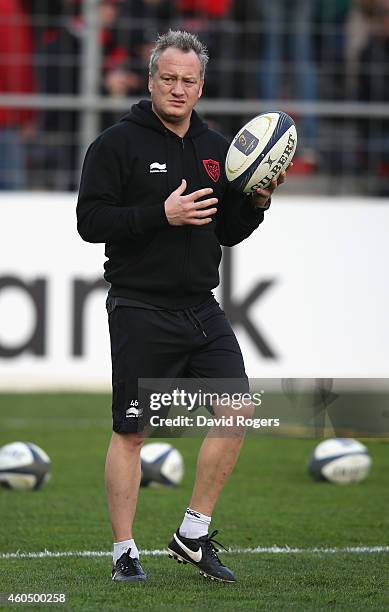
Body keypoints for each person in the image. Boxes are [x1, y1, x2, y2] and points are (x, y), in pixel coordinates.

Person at [77, 29, 287, 584]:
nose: (177, 88)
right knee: (132, 432)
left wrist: (259, 200)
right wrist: (158, 215)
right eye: (167, 78)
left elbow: (230, 230)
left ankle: (192, 533)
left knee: (238, 409)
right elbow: (90, 222)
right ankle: (125, 551)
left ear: (200, 86)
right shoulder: (116, 144)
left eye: (187, 80)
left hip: (201, 307)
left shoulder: (218, 150)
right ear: (150, 82)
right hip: (139, 306)